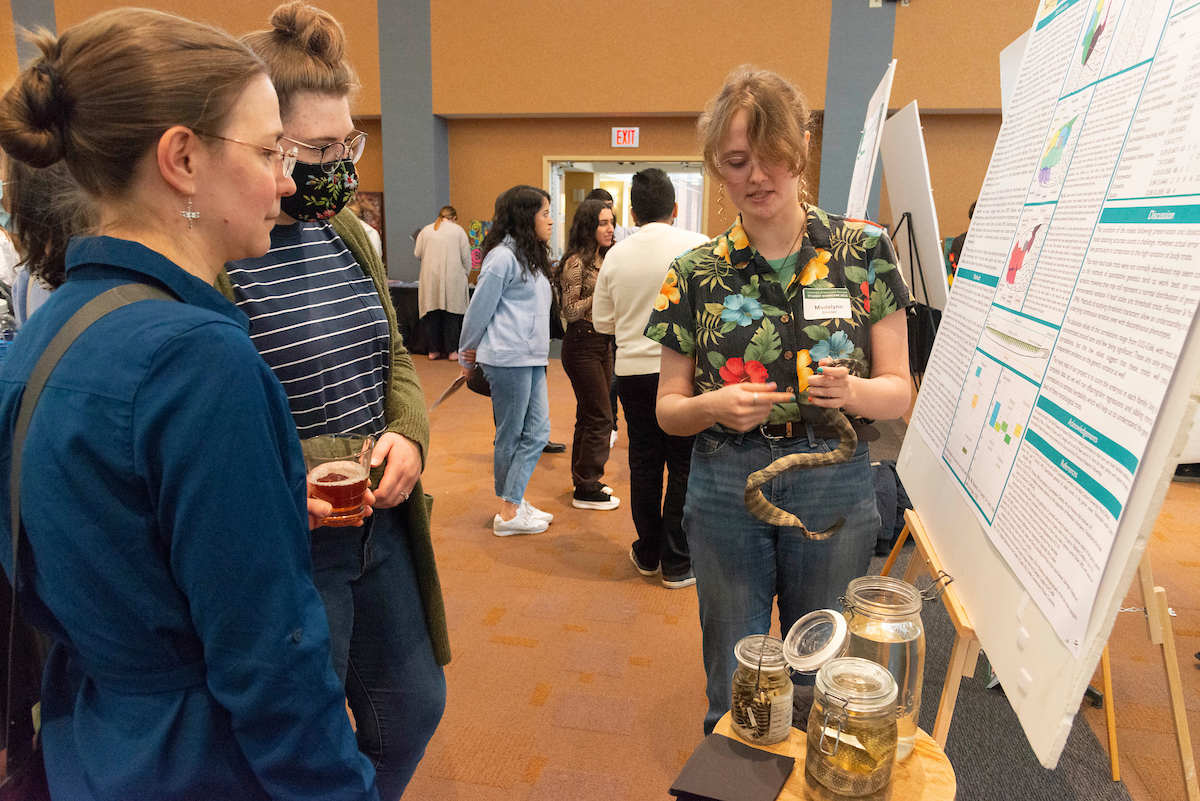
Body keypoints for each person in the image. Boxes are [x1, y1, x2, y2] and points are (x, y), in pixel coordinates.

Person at [0, 8, 378, 798]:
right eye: (272, 150)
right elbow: (270, 660)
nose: (286, 179)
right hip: (199, 758)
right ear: (181, 158)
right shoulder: (199, 359)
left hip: (94, 742)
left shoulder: (45, 335)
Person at [220, 5, 448, 797]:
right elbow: (222, 421)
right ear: (260, 142)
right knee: (300, 743)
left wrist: (409, 435)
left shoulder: (345, 230)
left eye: (347, 144)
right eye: (318, 149)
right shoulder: (223, 255)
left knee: (414, 705)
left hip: (379, 525)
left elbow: (394, 355)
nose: (340, 166)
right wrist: (334, 460)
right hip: (291, 538)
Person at [648, 66, 913, 734]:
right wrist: (713, 406)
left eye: (772, 159)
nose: (757, 177)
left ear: (800, 154)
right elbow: (668, 407)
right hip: (725, 478)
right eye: (738, 162)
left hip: (832, 471)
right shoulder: (694, 272)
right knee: (736, 671)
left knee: (818, 666)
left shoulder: (864, 251)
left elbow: (899, 390)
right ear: (718, 167)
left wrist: (852, 391)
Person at [593, 168, 708, 588]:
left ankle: (647, 552)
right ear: (675, 208)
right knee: (683, 463)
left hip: (634, 373)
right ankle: (678, 562)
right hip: (686, 372)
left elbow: (603, 324)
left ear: (632, 211)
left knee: (643, 461)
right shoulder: (700, 246)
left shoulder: (616, 256)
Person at [459, 185, 556, 536]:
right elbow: (478, 310)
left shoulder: (530, 255)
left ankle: (513, 501)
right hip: (507, 357)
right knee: (511, 435)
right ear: (524, 216)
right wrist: (467, 355)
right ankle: (509, 511)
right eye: (544, 212)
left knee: (538, 431)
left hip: (530, 356)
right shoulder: (502, 257)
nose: (550, 219)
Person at [553, 198, 621, 511]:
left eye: (612, 221)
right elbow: (570, 309)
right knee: (601, 416)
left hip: (604, 341)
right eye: (603, 223)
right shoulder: (576, 262)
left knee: (589, 414)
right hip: (581, 343)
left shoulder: (608, 257)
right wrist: (602, 291)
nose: (610, 228)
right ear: (589, 226)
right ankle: (588, 486)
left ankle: (584, 481)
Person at [415, 205, 471, 360]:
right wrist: (465, 273)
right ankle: (453, 351)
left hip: (430, 279)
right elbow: (466, 258)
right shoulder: (458, 231)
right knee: (452, 316)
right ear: (454, 218)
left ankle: (433, 351)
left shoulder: (426, 231)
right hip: (453, 279)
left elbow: (417, 253)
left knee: (431, 316)